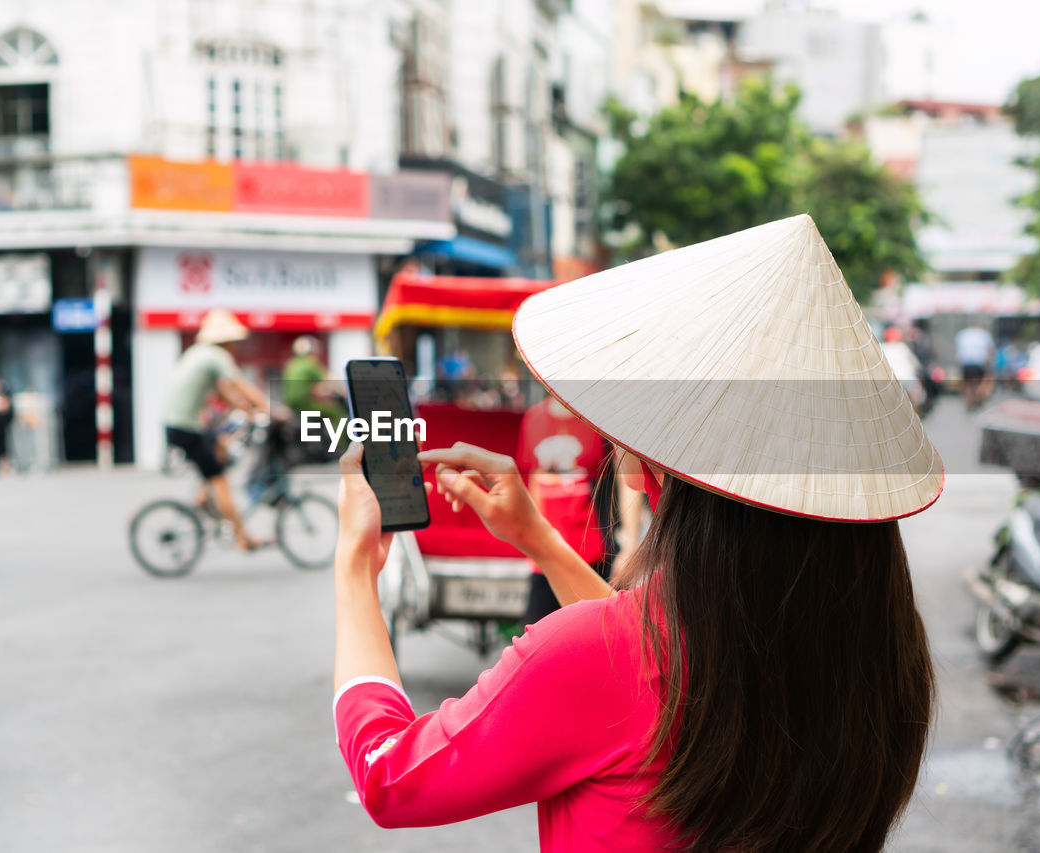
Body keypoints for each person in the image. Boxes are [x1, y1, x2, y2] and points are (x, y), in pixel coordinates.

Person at [331, 215, 938, 851]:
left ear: (661, 462)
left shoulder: (602, 656)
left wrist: (355, 571)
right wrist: (538, 539)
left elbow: (389, 775)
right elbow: (646, 672)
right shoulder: (877, 646)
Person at [515, 396, 639, 627]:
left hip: (595, 552)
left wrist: (630, 545)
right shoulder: (534, 417)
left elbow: (626, 480)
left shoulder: (599, 418)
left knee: (600, 634)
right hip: (549, 550)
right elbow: (536, 482)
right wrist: (531, 538)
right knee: (539, 633)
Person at [162, 310, 269, 551]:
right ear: (226, 341)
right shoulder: (216, 356)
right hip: (186, 427)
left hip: (179, 425)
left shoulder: (198, 353)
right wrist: (268, 407)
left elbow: (226, 392)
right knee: (220, 479)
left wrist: (244, 409)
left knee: (219, 444)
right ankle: (243, 537)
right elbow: (240, 384)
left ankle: (202, 495)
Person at [956, 320, 995, 411]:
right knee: (985, 379)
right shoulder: (984, 334)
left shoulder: (962, 334)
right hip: (979, 363)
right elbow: (990, 350)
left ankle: (970, 401)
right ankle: (979, 395)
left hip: (965, 364)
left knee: (968, 383)